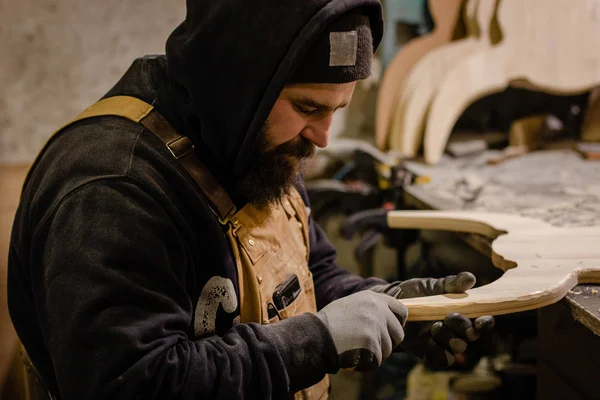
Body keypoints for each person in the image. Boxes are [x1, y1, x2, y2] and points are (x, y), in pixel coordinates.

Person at [7, 0, 494, 399]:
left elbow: (306, 271)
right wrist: (316, 342)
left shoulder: (252, 143)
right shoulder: (112, 188)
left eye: (336, 111)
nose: (323, 137)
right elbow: (132, 384)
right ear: (239, 84)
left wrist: (387, 307)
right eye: (308, 107)